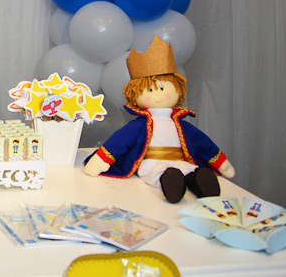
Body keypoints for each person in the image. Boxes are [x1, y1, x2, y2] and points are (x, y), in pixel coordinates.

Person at [83, 36, 235, 203]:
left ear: (178, 89)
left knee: (189, 170)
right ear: (135, 95)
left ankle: (199, 180)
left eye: (162, 88)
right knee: (161, 172)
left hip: (180, 160)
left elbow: (203, 143)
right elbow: (119, 142)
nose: (157, 95)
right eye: (150, 90)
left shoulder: (181, 125)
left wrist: (221, 162)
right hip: (152, 162)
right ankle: (171, 183)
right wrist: (101, 161)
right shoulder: (138, 126)